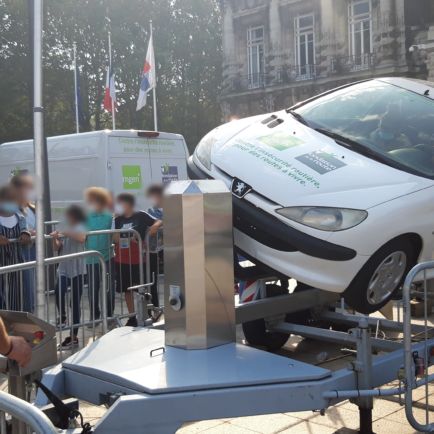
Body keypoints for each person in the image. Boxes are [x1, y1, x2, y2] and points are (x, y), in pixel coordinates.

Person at [113, 193, 162, 327]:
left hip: (139, 259)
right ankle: (132, 316)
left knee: (143, 288)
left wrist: (154, 227)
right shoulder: (118, 220)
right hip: (122, 259)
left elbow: (158, 221)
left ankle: (149, 312)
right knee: (126, 289)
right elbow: (113, 238)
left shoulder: (140, 215)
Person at [51, 205, 87, 349]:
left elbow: (81, 238)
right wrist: (55, 238)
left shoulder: (80, 226)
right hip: (64, 267)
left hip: (77, 269)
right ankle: (63, 316)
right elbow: (56, 247)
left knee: (75, 303)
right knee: (58, 291)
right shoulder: (64, 226)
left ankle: (73, 337)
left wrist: (65, 231)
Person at [84, 187, 115, 323]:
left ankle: (109, 315)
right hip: (91, 259)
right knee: (93, 288)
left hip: (108, 257)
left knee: (109, 287)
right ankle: (94, 316)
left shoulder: (110, 217)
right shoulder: (86, 217)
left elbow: (114, 236)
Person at [0, 185, 31, 311]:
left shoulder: (21, 218)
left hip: (17, 265)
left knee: (17, 299)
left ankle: (15, 326)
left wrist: (26, 234)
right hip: (1, 266)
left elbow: (26, 232)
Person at [10, 174, 36, 313]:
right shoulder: (9, 208)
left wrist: (35, 233)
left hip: (31, 256)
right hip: (15, 257)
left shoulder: (32, 208)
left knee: (30, 293)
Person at [146, 184, 164, 315]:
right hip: (154, 250)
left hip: (170, 249)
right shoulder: (150, 211)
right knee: (151, 281)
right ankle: (154, 307)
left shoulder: (171, 209)